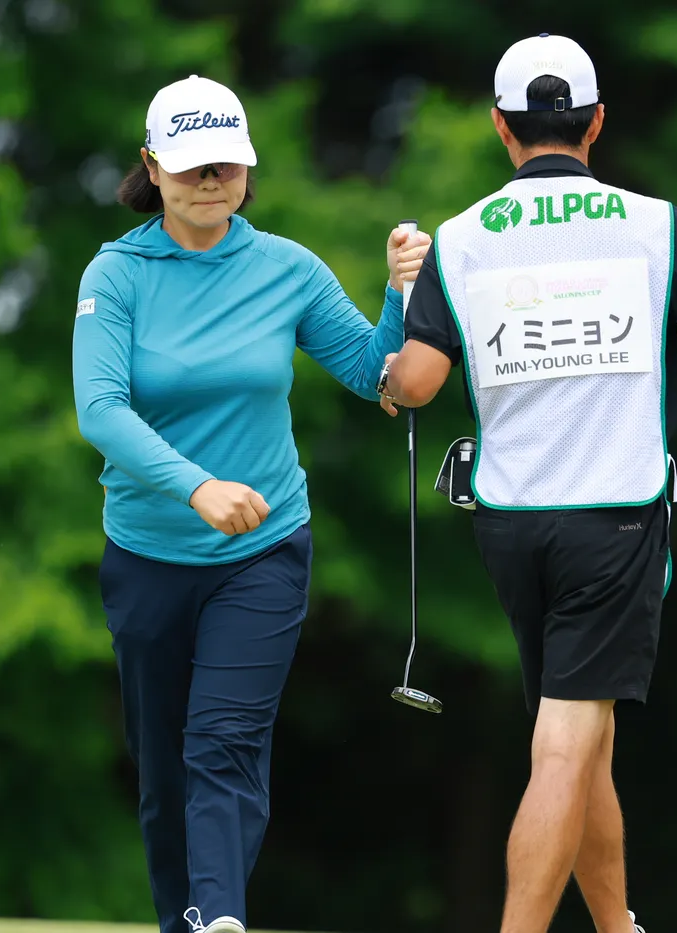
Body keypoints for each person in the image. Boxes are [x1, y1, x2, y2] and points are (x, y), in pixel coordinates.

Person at [375, 33, 677, 933]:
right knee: (563, 745)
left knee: (584, 739)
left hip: (511, 525)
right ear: (595, 122)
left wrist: (396, 326)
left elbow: (415, 384)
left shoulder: (462, 238)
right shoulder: (653, 223)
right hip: (615, 521)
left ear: (500, 127)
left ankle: (617, 925)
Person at [71, 74, 431, 933]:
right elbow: (100, 409)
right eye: (191, 164)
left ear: (246, 168)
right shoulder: (116, 275)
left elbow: (375, 375)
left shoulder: (287, 269)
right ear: (152, 166)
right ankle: (188, 919)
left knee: (223, 743)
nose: (210, 179)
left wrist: (398, 292)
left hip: (262, 552)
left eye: (226, 164)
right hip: (148, 555)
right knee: (164, 770)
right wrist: (195, 486)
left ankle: (221, 919)